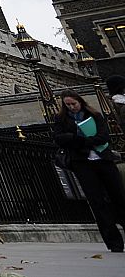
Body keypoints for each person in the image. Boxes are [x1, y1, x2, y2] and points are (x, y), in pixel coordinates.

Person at [52, 89, 125, 252]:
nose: (71, 107)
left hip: (103, 161)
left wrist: (78, 140)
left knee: (118, 197)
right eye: (67, 105)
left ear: (80, 101)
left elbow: (104, 137)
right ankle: (114, 242)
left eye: (73, 103)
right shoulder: (61, 119)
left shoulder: (94, 115)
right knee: (97, 202)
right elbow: (59, 138)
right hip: (82, 164)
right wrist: (81, 139)